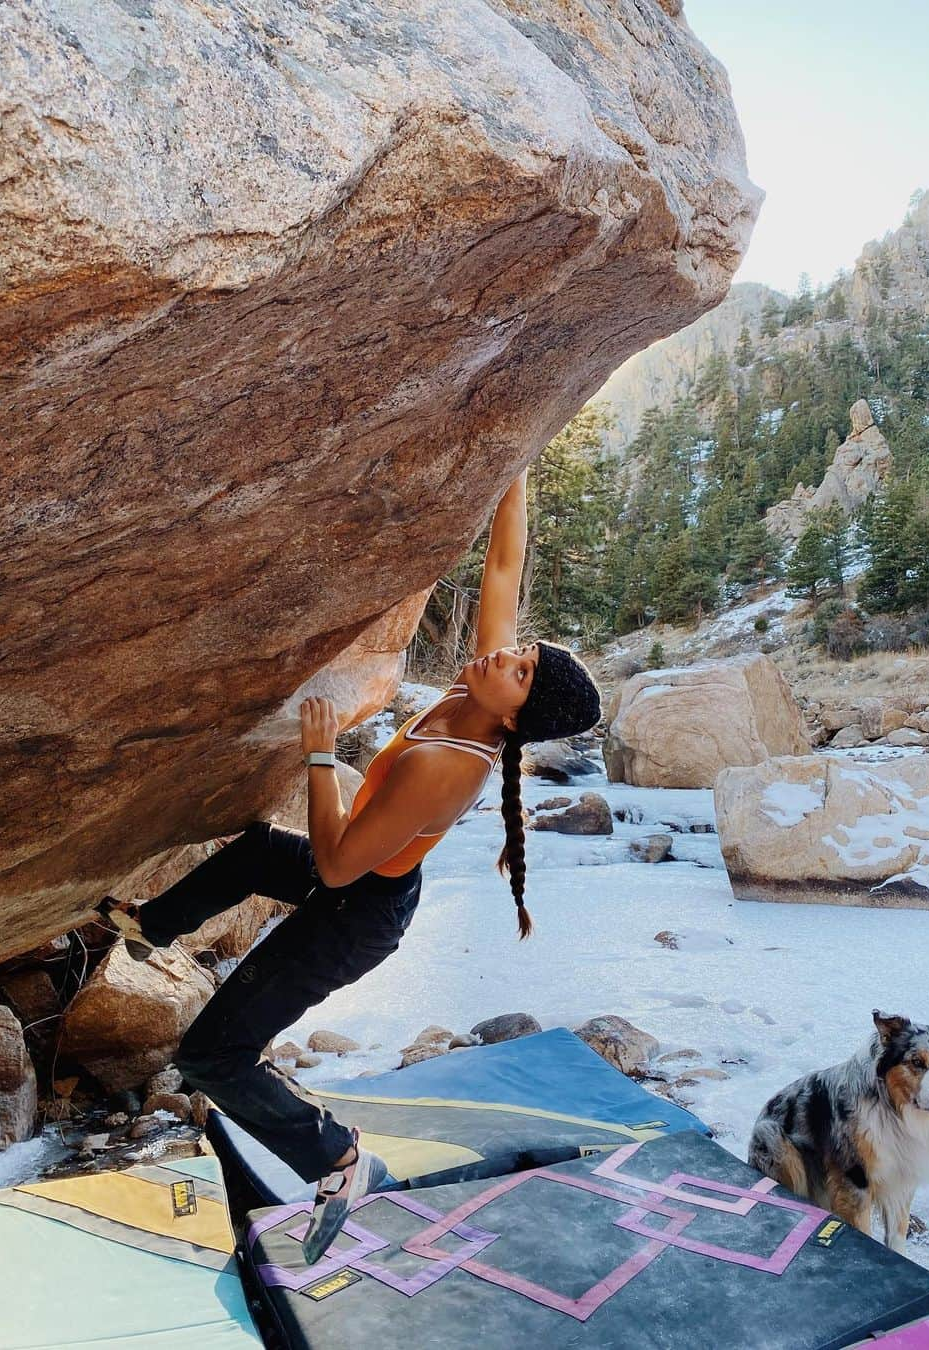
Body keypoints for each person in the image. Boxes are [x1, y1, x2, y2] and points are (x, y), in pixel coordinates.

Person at [96, 466, 601, 1264]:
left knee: (210, 1057)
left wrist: (323, 756)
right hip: (372, 879)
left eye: (523, 667)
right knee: (260, 851)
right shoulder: (484, 687)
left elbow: (332, 868)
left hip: (357, 914)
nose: (507, 652)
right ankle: (153, 928)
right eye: (523, 650)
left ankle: (337, 1156)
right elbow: (503, 568)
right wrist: (516, 466)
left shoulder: (453, 765)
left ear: (518, 712)